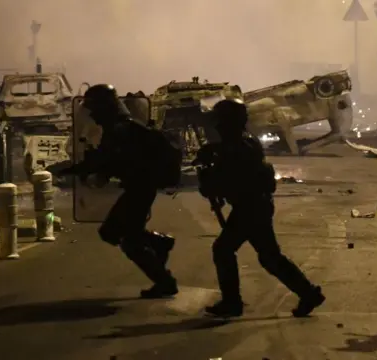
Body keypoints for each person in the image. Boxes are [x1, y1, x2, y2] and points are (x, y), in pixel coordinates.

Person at [195, 98, 325, 318]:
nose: (216, 126)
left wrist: (211, 180)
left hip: (251, 208)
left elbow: (231, 178)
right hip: (255, 206)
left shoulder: (239, 146)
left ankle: (232, 302)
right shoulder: (242, 142)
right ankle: (308, 293)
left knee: (224, 249)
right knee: (270, 257)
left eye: (220, 121)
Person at [61, 84, 178, 299]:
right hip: (139, 188)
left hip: (140, 189)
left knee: (129, 241)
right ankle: (160, 244)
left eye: (95, 109)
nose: (93, 115)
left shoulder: (120, 130)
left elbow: (106, 162)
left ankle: (165, 281)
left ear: (105, 108)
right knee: (113, 233)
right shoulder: (122, 128)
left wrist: (75, 169)